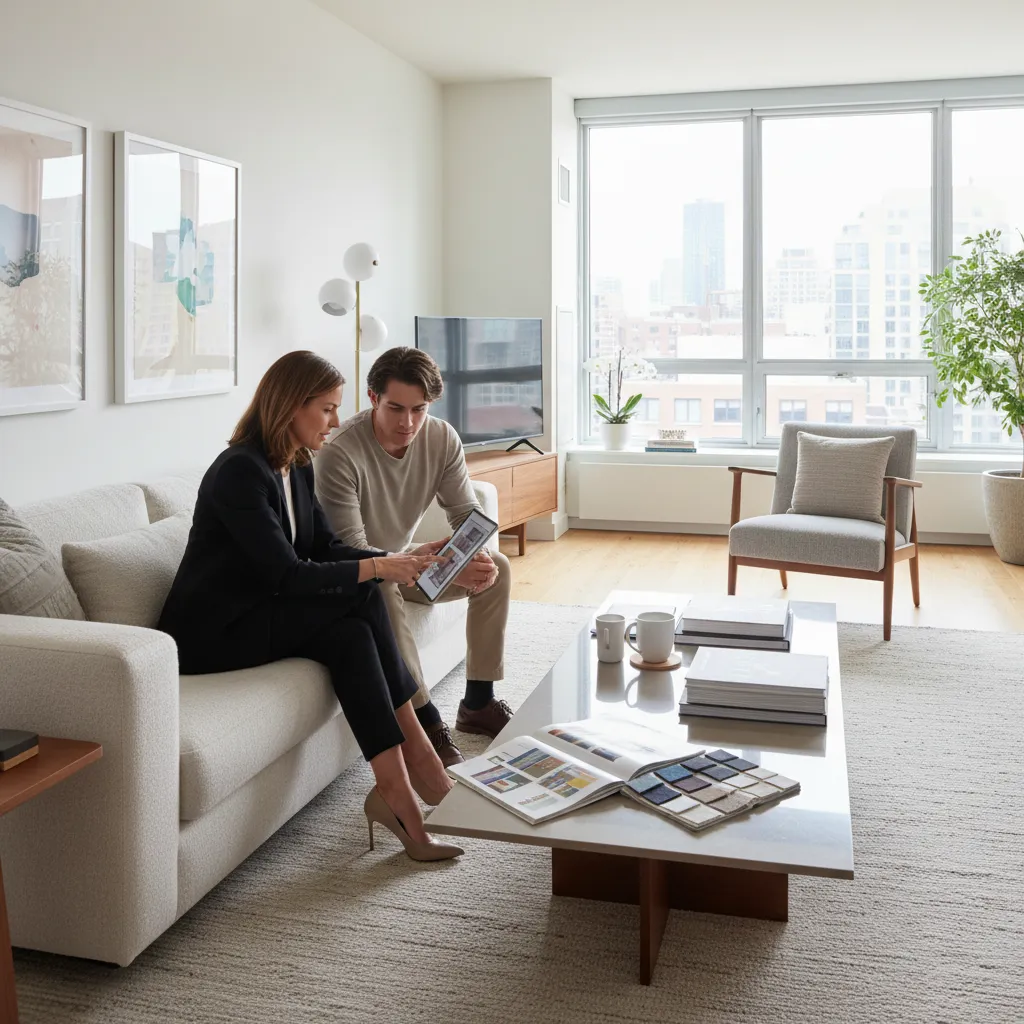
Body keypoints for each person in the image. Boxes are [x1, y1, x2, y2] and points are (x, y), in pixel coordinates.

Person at [158, 350, 463, 863]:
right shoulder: (239, 473)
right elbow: (286, 573)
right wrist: (379, 569)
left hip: (264, 610)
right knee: (365, 590)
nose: (337, 421)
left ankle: (396, 793)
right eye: (327, 409)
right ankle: (421, 761)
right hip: (213, 634)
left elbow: (324, 548)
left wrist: (397, 558)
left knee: (352, 634)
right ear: (290, 407)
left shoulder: (293, 465)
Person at [314, 347, 513, 768]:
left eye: (419, 410)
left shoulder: (440, 437)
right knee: (382, 585)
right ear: (372, 398)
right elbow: (352, 548)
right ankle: (426, 721)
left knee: (500, 567)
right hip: (359, 577)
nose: (408, 423)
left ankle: (478, 702)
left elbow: (464, 514)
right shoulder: (339, 454)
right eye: (396, 408)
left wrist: (474, 555)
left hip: (407, 564)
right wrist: (404, 563)